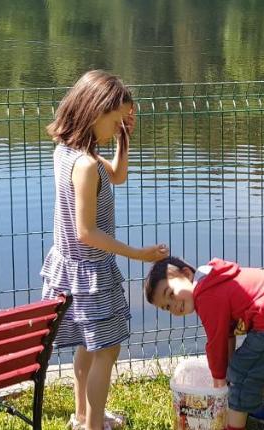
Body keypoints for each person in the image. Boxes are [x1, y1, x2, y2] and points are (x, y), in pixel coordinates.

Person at [41, 69, 169, 430]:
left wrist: (124, 139)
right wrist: (138, 254)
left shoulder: (69, 152)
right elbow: (86, 232)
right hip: (91, 271)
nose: (118, 126)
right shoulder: (84, 165)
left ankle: (82, 415)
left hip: (69, 270)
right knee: (107, 351)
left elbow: (117, 175)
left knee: (89, 345)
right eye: (115, 120)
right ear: (95, 112)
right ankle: (95, 424)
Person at [144, 256, 264, 430]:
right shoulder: (213, 279)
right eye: (167, 307)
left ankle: (234, 425)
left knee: (242, 371)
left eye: (170, 294)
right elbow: (227, 335)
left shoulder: (206, 295)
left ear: (186, 274)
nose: (173, 305)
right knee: (256, 361)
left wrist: (219, 381)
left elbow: (216, 342)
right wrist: (228, 370)